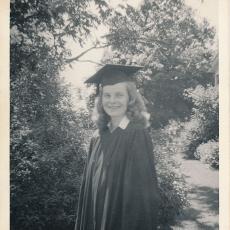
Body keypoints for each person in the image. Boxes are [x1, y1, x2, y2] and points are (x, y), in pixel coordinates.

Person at [75, 64, 160, 230]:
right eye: (107, 95)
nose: (112, 101)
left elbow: (141, 200)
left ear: (130, 99)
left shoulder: (137, 135)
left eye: (119, 95)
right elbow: (88, 190)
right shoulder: (97, 137)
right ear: (101, 100)